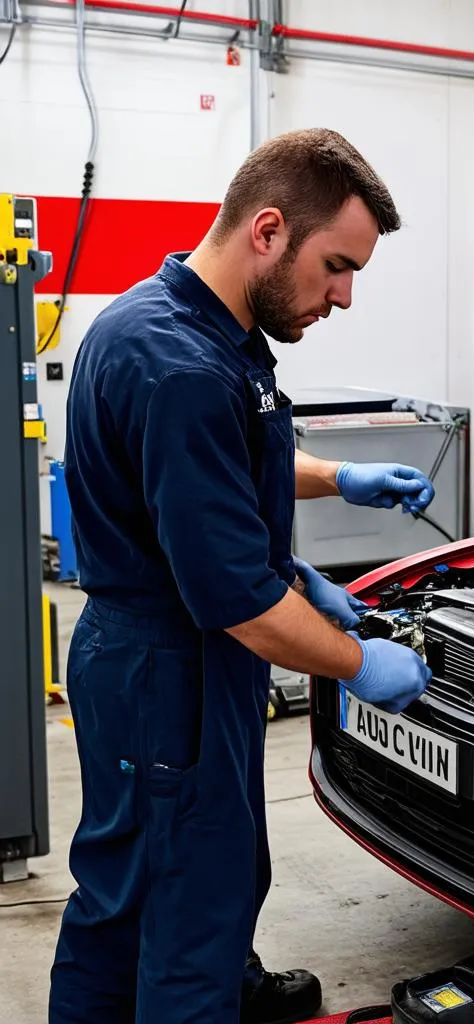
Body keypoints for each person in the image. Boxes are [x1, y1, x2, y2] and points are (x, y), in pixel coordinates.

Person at [49, 128, 435, 1024]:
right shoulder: (182, 365)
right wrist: (354, 660)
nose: (342, 296)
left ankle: (228, 985)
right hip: (172, 667)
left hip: (160, 661)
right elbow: (243, 606)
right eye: (336, 266)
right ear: (268, 231)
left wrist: (338, 482)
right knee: (184, 905)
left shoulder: (170, 319)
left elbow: (214, 470)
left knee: (156, 876)